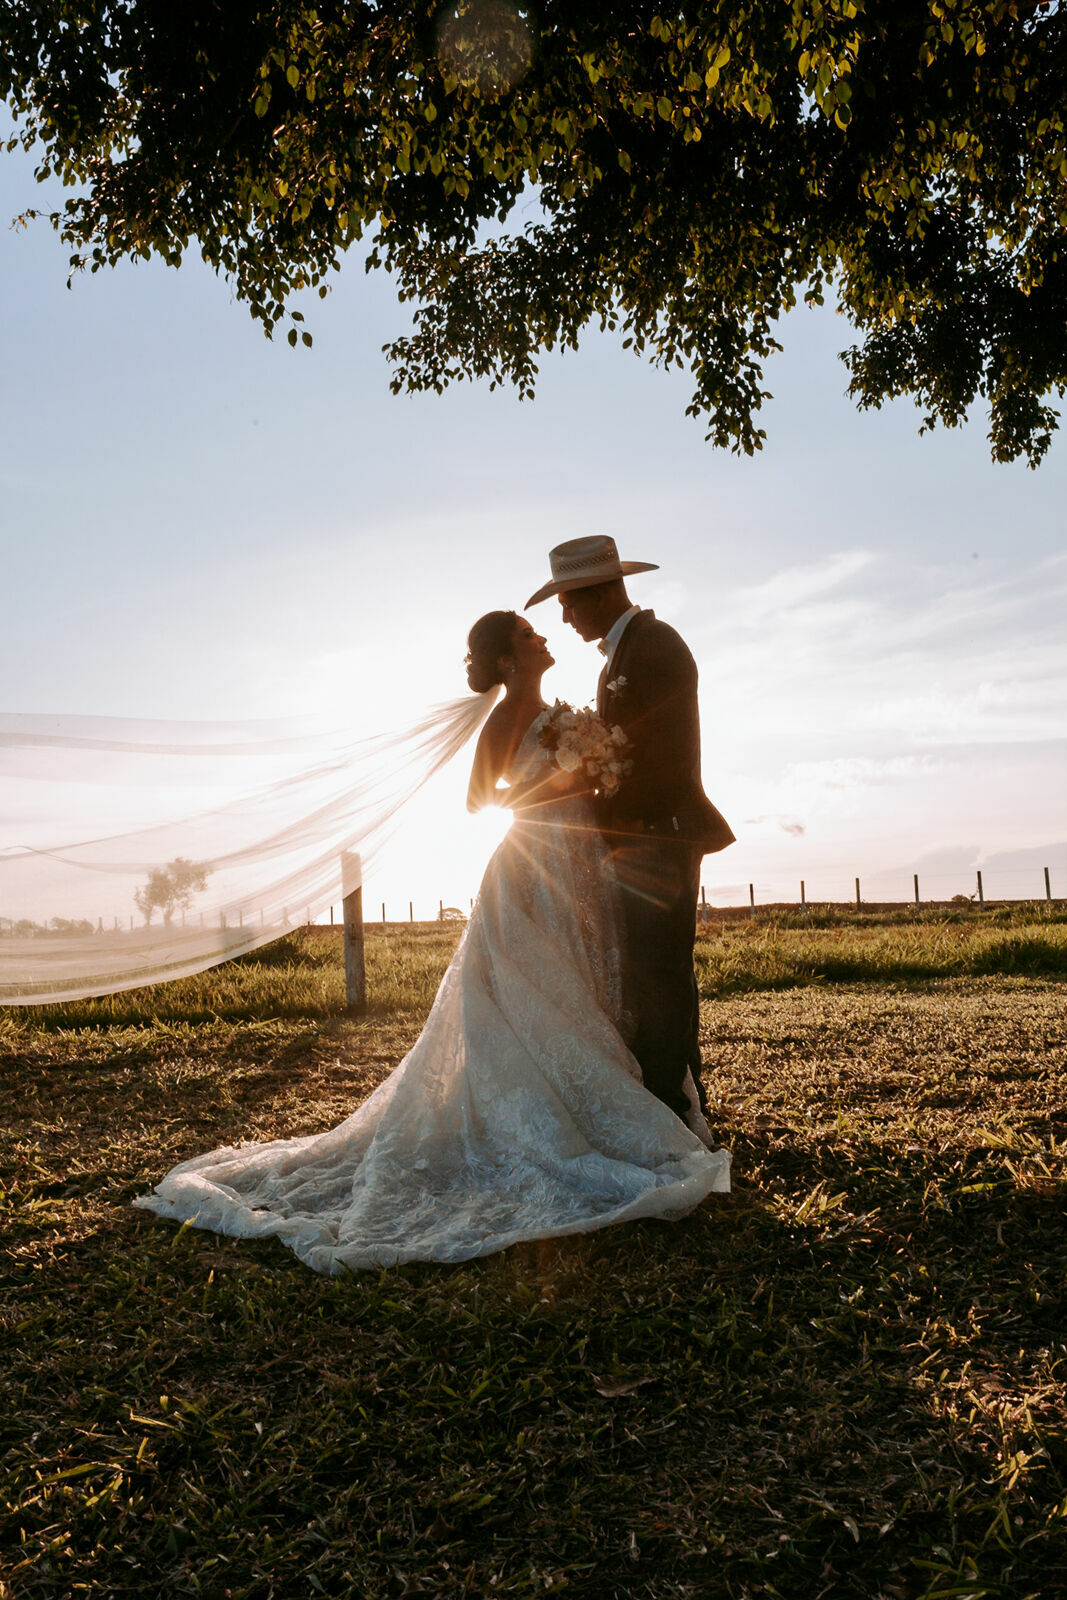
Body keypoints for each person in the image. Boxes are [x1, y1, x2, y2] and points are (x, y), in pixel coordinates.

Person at [134, 609, 730, 1272]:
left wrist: (586, 768)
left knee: (586, 977)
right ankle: (542, 1111)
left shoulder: (559, 711)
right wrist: (557, 779)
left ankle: (595, 1101)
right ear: (508, 661)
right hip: (533, 863)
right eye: (529, 637)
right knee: (526, 986)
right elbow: (481, 799)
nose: (542, 639)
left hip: (577, 863)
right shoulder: (507, 718)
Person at [526, 536, 734, 1126]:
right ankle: (675, 1105)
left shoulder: (654, 645)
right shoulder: (624, 653)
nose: (564, 615)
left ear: (597, 593)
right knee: (652, 973)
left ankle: (673, 1110)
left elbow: (662, 756)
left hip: (658, 836)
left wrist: (596, 802)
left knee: (660, 975)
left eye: (567, 601)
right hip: (641, 838)